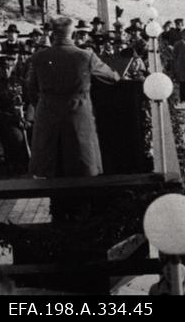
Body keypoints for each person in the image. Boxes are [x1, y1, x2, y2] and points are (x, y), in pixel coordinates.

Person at [26, 17, 120, 219]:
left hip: (48, 118)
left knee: (53, 168)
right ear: (73, 33)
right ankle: (79, 218)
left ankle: (57, 215)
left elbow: (31, 88)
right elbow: (112, 77)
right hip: (77, 117)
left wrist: (46, 103)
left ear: (53, 33)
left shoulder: (39, 57)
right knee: (80, 167)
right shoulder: (85, 56)